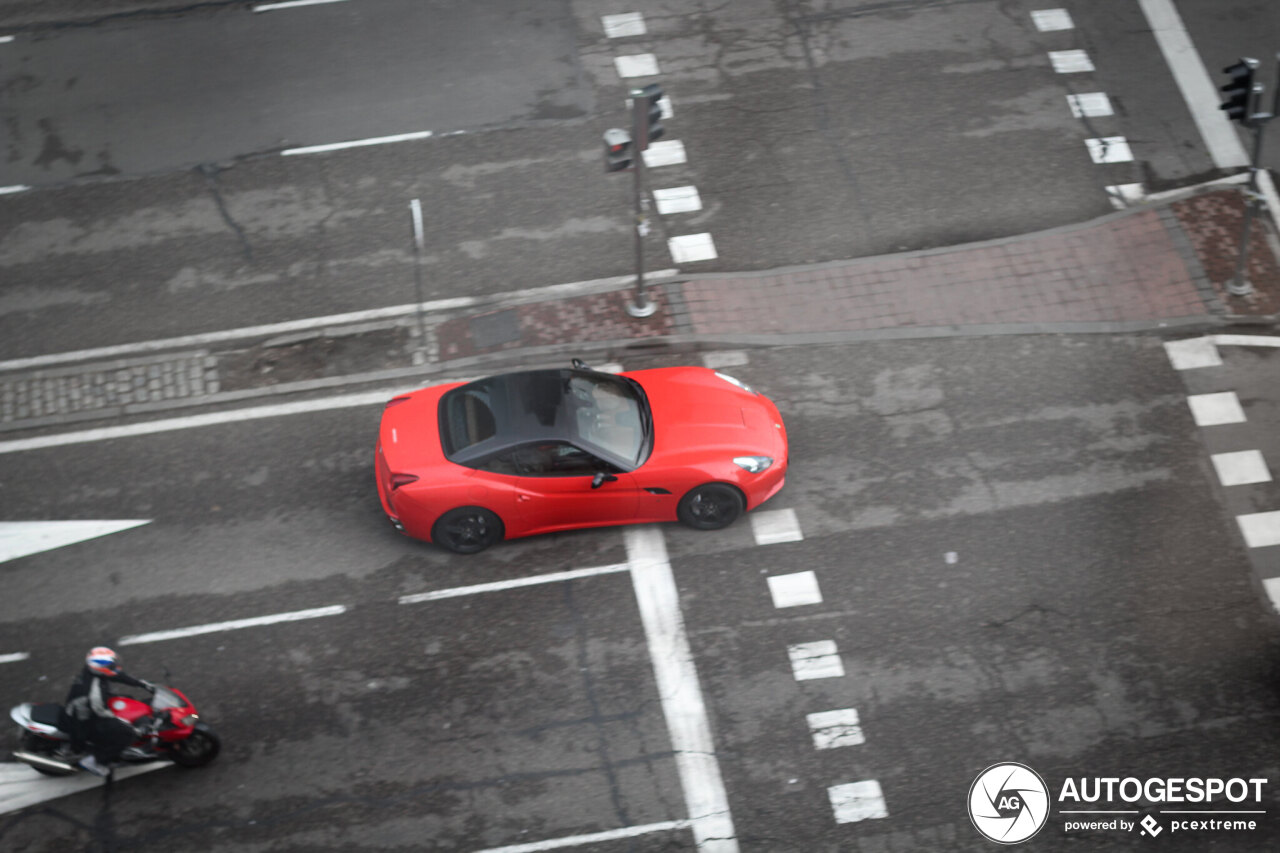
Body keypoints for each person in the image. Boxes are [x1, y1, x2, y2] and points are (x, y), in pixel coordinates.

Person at [64, 646, 153, 777]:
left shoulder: (93, 672)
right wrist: (125, 724)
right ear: (101, 667)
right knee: (126, 734)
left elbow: (118, 675)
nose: (115, 667)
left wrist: (142, 684)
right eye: (112, 665)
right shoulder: (93, 691)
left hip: (88, 708)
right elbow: (101, 712)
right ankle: (96, 761)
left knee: (127, 700)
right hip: (85, 720)